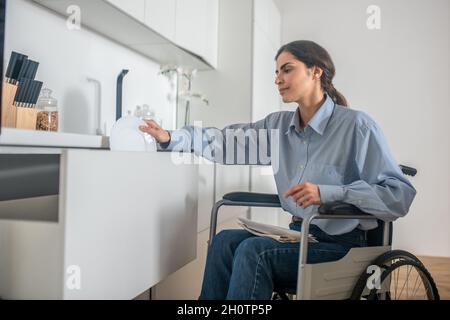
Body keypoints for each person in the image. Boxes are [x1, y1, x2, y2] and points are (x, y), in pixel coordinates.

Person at [139, 40, 416, 300]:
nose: (278, 80)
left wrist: (329, 193)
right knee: (224, 241)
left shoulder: (357, 126)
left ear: (315, 71)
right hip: (298, 236)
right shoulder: (278, 127)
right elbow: (224, 141)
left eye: (287, 69)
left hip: (342, 247)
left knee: (254, 251)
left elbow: (398, 195)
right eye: (276, 72)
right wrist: (172, 138)